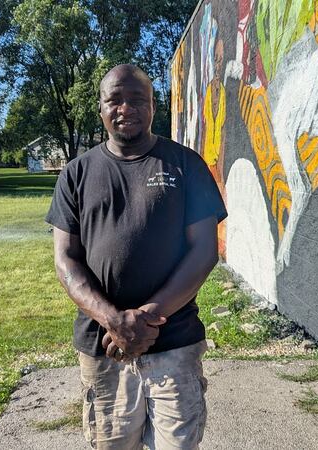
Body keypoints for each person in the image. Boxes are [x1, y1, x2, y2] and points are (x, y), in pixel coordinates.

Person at [45, 64, 227, 450]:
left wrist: (145, 319)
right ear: (101, 109)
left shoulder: (185, 165)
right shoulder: (76, 174)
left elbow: (204, 251)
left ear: (153, 107)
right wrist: (115, 321)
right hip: (103, 347)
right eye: (114, 99)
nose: (125, 107)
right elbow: (66, 260)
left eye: (137, 99)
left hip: (174, 344)